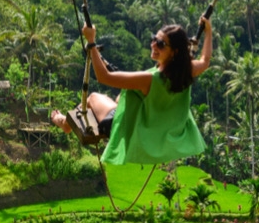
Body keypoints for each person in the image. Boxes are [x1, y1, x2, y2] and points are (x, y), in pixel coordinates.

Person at [51, 17, 213, 165]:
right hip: (157, 137)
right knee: (118, 99)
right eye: (154, 39)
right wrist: (208, 32)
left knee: (93, 98)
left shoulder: (149, 79)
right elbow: (205, 61)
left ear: (175, 52)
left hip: (125, 130)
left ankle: (64, 122)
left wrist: (91, 42)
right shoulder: (187, 71)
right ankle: (66, 122)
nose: (154, 45)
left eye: (161, 44)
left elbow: (104, 77)